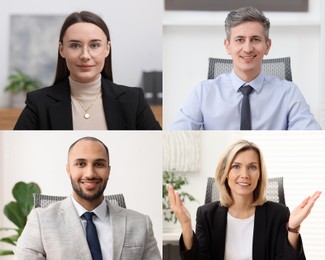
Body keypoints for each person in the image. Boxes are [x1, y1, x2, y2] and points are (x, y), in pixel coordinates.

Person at [170, 7, 320, 130]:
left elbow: (312, 141)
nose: (247, 48)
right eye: (240, 40)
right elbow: (175, 139)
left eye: (255, 39)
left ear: (267, 46)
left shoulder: (288, 93)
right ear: (228, 46)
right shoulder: (203, 92)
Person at [168, 140, 321, 260]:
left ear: (260, 174)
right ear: (225, 172)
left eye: (252, 167)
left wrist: (293, 228)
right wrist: (186, 225)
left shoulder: (278, 214)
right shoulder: (206, 214)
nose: (245, 174)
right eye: (236, 166)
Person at [14, 136, 161, 260]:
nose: (90, 173)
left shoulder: (141, 223)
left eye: (99, 164)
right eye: (80, 164)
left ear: (108, 170)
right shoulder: (41, 221)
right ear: (69, 170)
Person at [14, 11, 161, 130]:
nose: (85, 56)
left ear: (107, 49)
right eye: (75, 46)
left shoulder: (134, 100)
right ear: (61, 50)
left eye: (94, 45)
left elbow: (158, 151)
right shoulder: (38, 103)